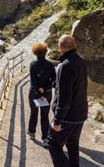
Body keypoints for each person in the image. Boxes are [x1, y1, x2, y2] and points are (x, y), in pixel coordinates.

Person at [48, 35, 88, 167]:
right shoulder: (80, 61)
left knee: (53, 143)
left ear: (60, 48)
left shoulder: (65, 66)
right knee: (72, 145)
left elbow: (64, 96)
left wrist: (57, 120)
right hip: (80, 113)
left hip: (68, 116)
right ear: (74, 46)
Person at [27, 42, 56, 143]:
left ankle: (32, 132)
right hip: (47, 94)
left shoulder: (33, 64)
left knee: (33, 113)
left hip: (34, 94)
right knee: (45, 115)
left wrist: (39, 90)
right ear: (45, 51)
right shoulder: (50, 64)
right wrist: (45, 88)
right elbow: (54, 79)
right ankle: (45, 138)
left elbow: (33, 81)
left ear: (35, 52)